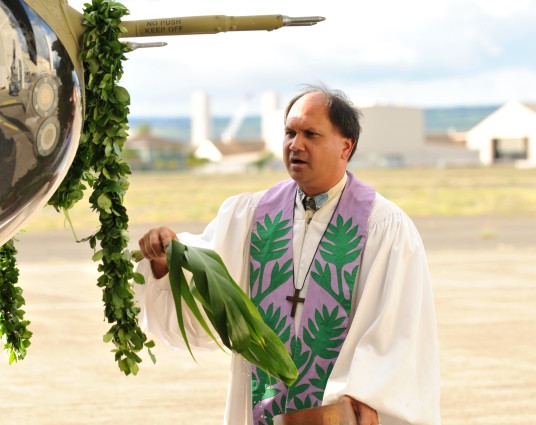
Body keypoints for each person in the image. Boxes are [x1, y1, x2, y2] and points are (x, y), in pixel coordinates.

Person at [135, 84, 441, 425]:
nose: (296, 144)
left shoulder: (384, 228)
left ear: (346, 146)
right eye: (289, 133)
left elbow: (396, 333)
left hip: (338, 415)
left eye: (310, 134)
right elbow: (206, 287)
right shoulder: (250, 216)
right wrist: (166, 261)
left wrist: (353, 399)